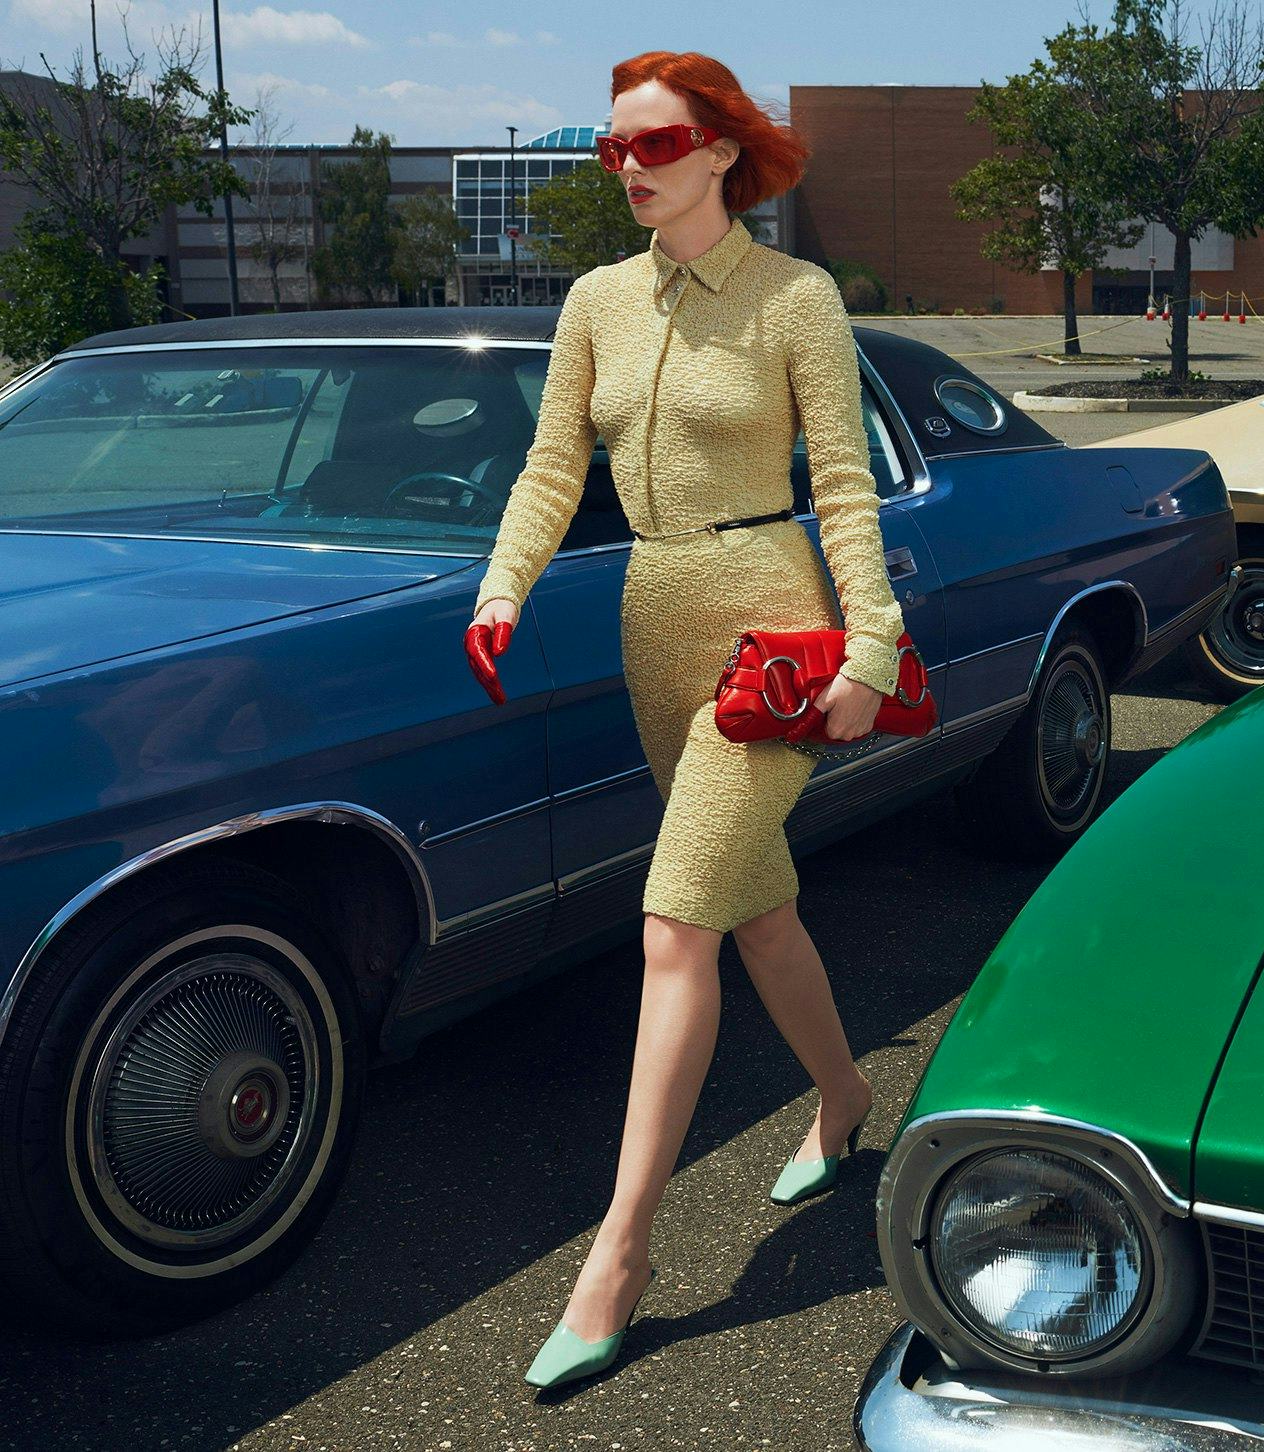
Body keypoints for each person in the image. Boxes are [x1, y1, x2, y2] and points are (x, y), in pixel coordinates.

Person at [459, 50, 906, 1390]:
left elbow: (842, 483)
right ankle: (845, 1097)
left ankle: (622, 1250)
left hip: (769, 627)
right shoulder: (598, 301)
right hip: (650, 622)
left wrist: (874, 640)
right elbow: (551, 468)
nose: (632, 170)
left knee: (673, 927)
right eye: (614, 151)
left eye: (655, 145)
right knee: (751, 909)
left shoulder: (794, 298)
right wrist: (501, 586)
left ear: (720, 150)